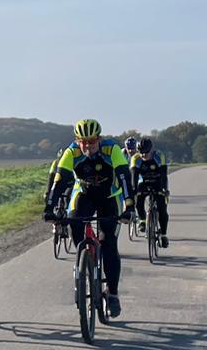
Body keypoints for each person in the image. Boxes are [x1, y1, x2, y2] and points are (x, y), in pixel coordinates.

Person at [44, 119, 133, 317]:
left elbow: (124, 177)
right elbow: (59, 180)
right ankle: (86, 262)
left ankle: (113, 293)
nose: (87, 146)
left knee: (109, 242)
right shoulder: (72, 152)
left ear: (99, 139)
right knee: (74, 225)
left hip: (109, 196)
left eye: (91, 141)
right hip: (84, 195)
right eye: (82, 141)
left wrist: (129, 206)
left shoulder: (112, 150)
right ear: (77, 140)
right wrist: (49, 208)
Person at [132, 136, 170, 248]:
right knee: (138, 200)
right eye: (141, 152)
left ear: (151, 150)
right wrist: (133, 191)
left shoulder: (159, 156)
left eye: (146, 152)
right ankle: (142, 221)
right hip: (143, 182)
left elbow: (164, 175)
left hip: (158, 182)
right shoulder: (136, 158)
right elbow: (134, 176)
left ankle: (163, 235)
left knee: (162, 209)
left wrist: (165, 189)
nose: (143, 155)